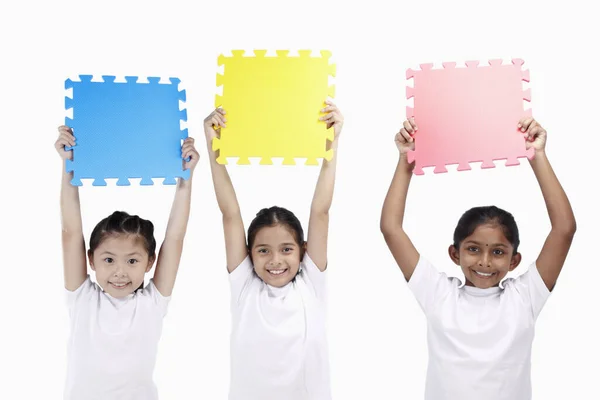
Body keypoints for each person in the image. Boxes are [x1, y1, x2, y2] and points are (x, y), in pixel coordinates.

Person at [380, 116, 576, 400]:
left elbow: (564, 229)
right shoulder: (438, 294)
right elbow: (391, 228)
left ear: (514, 260)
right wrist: (405, 162)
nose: (484, 261)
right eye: (473, 249)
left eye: (498, 252)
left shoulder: (524, 297)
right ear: (454, 253)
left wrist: (538, 155)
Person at [204, 101, 343, 400]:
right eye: (264, 251)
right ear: (249, 253)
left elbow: (320, 211)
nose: (276, 260)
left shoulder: (311, 283)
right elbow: (230, 212)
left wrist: (332, 145)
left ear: (303, 251)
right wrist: (212, 144)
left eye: (287, 249)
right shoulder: (244, 285)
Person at [55, 125, 199, 399]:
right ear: (91, 260)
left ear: (150, 262)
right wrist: (68, 165)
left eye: (132, 261)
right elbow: (71, 232)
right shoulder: (82, 297)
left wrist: (186, 178)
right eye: (108, 259)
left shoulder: (152, 302)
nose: (119, 272)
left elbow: (175, 237)